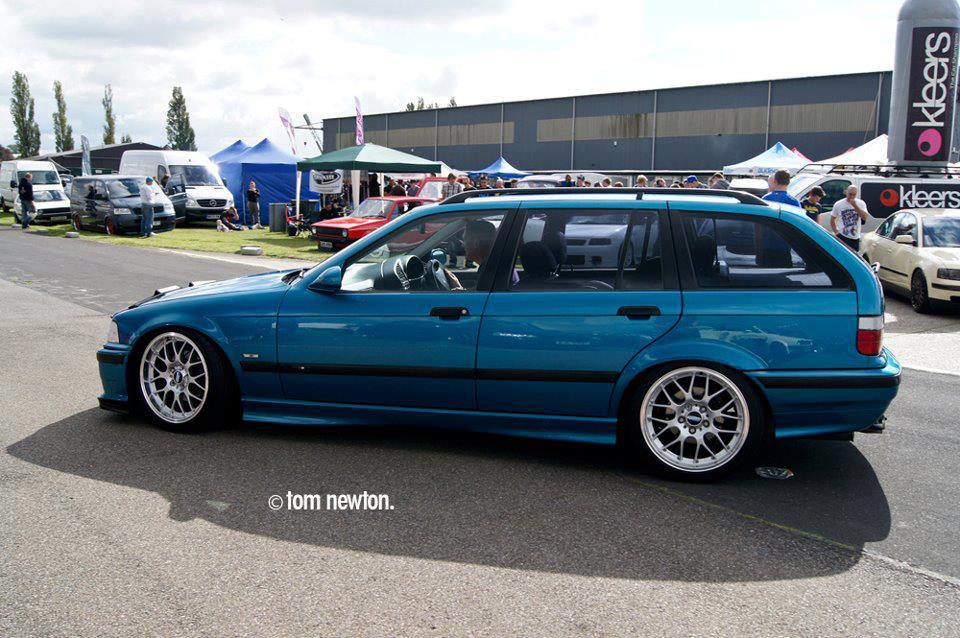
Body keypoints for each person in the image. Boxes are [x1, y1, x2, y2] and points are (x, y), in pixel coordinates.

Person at [830, 185, 869, 252]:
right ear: (846, 192)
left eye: (854, 195)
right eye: (850, 194)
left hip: (855, 237)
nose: (851, 196)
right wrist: (836, 232)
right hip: (842, 235)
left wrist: (855, 206)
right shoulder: (839, 204)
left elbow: (864, 217)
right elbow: (832, 219)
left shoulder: (861, 203)